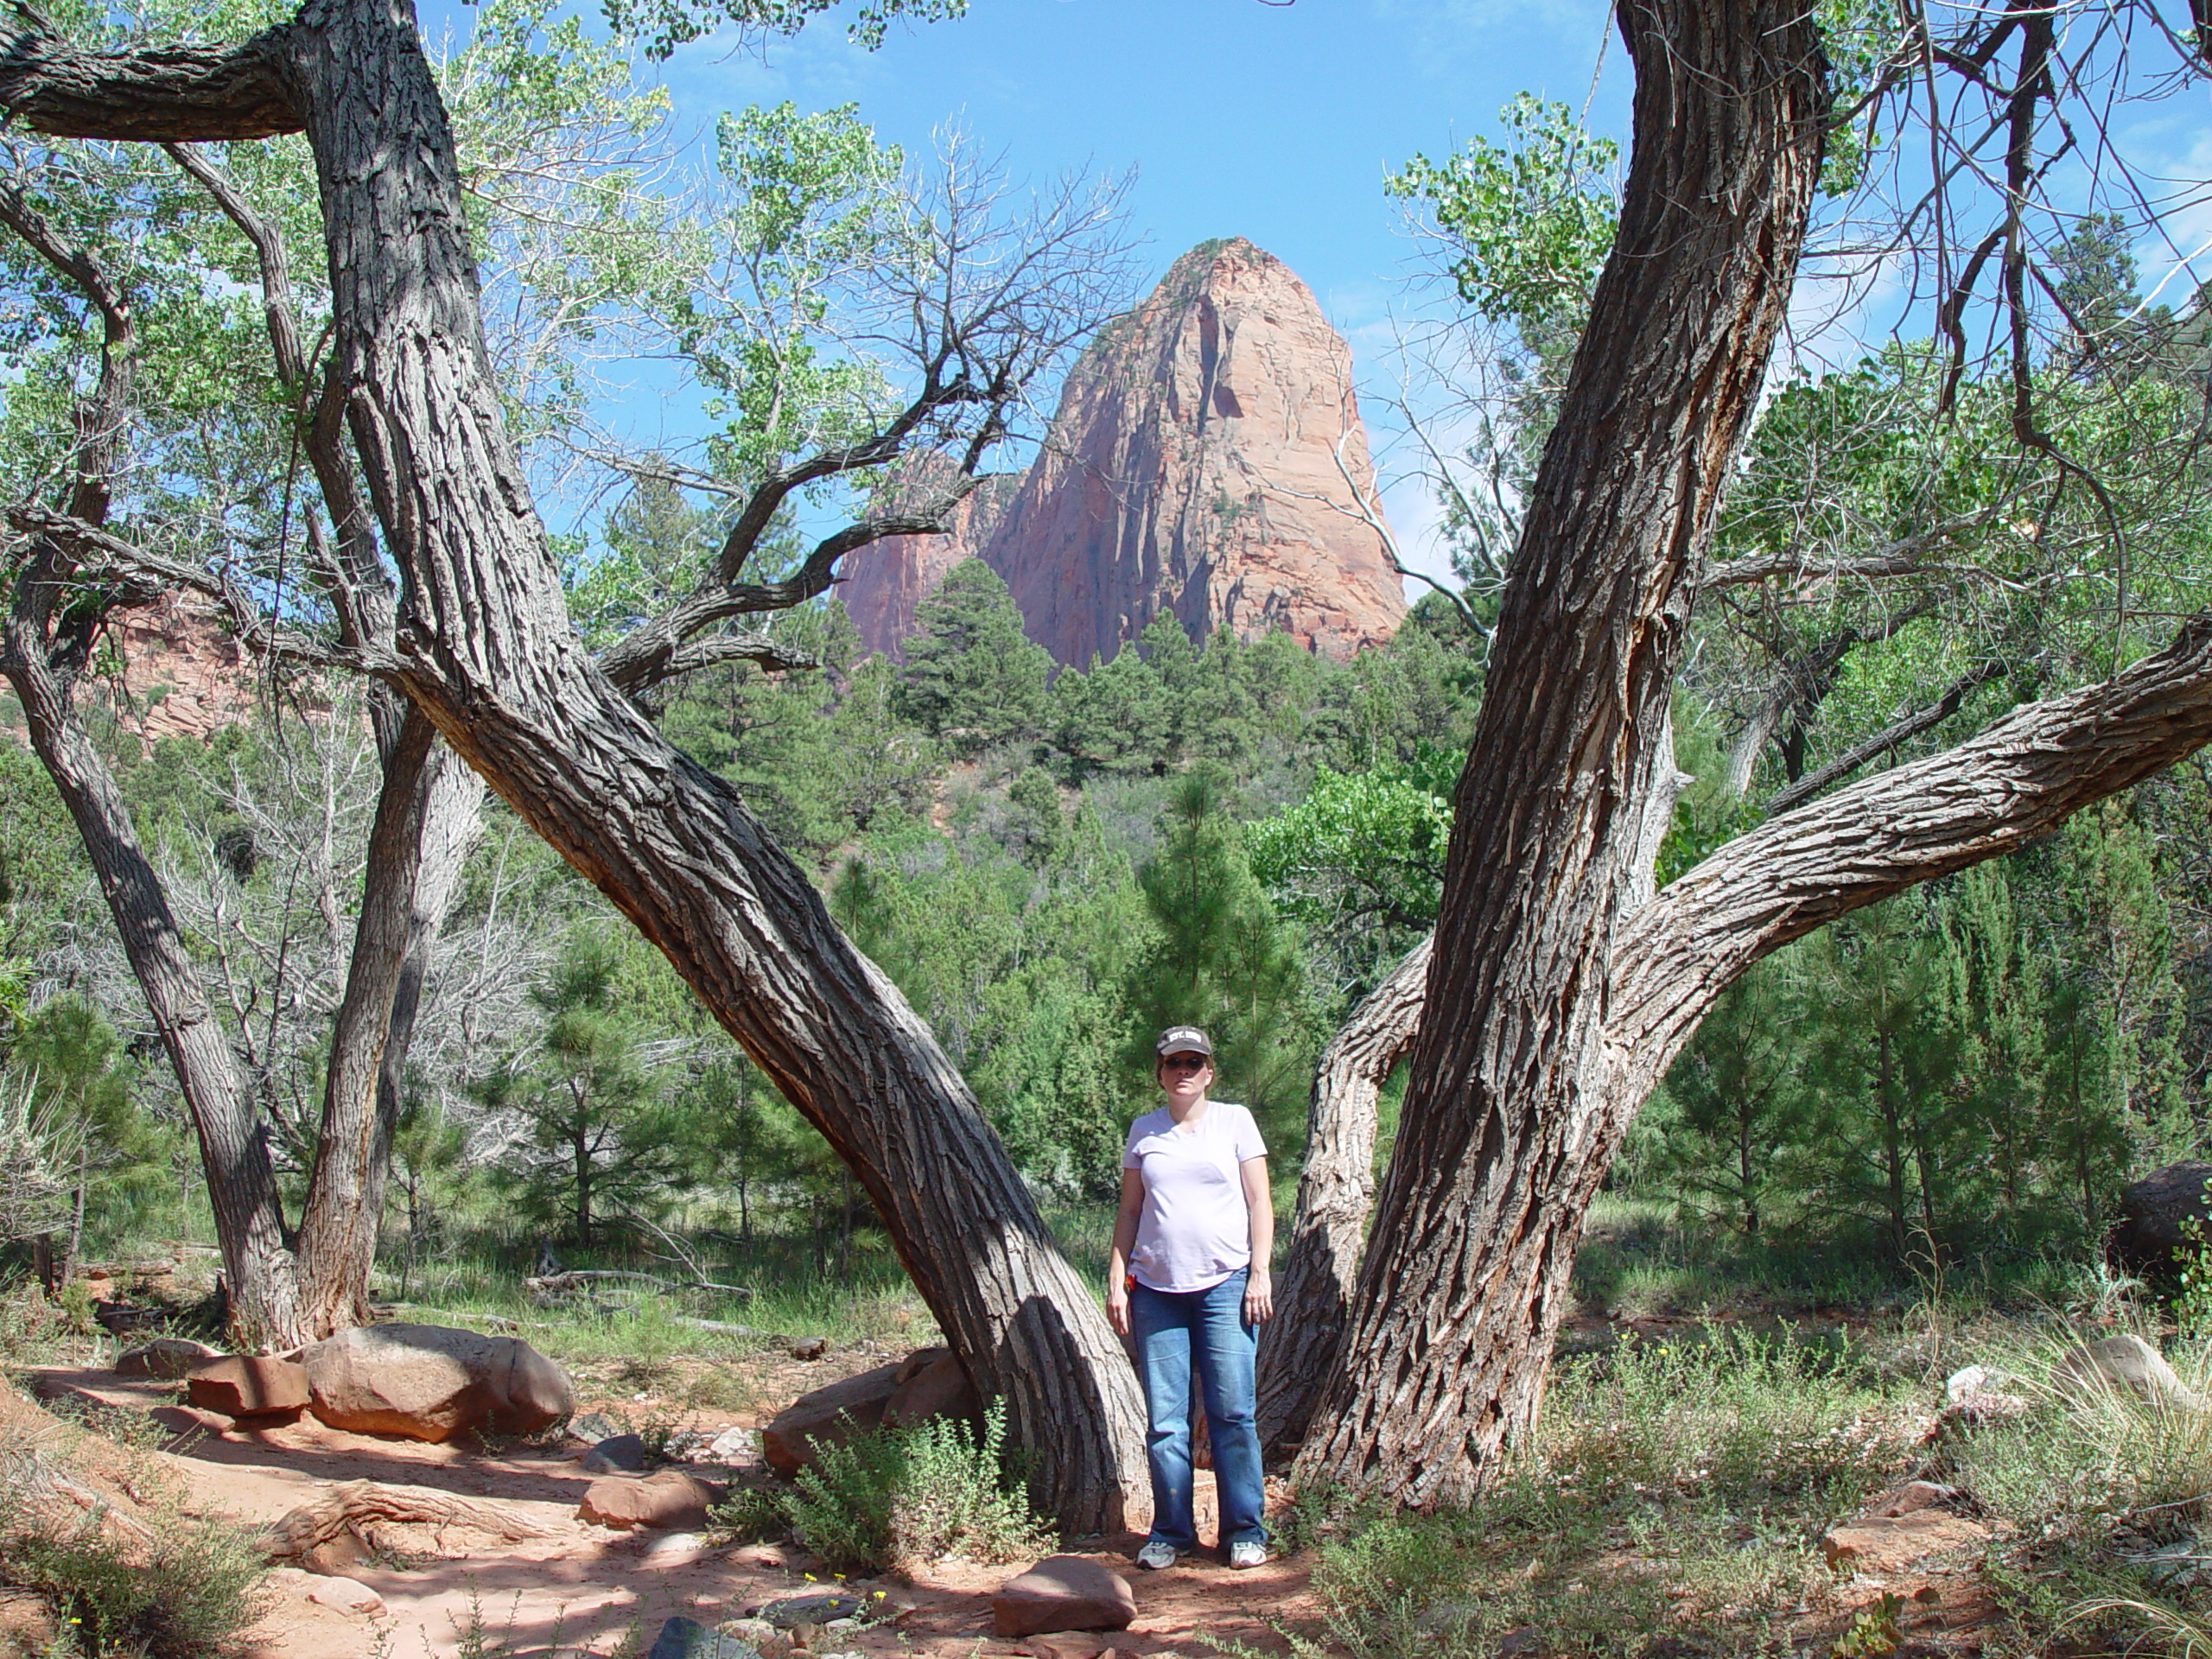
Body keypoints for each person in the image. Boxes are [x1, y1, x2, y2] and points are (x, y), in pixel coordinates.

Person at [1107, 1024, 1273, 1571]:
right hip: (1156, 1290)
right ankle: (1171, 1533)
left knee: (1232, 1412)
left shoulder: (1235, 1122)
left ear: (1209, 1073)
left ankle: (1244, 1531)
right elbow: (1131, 1210)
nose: (1184, 1072)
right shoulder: (1144, 1131)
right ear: (1160, 1073)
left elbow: (1259, 1203)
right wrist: (1116, 1275)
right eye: (1173, 1063)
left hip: (1227, 1284)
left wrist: (1260, 1273)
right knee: (1166, 1421)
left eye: (1193, 1063)